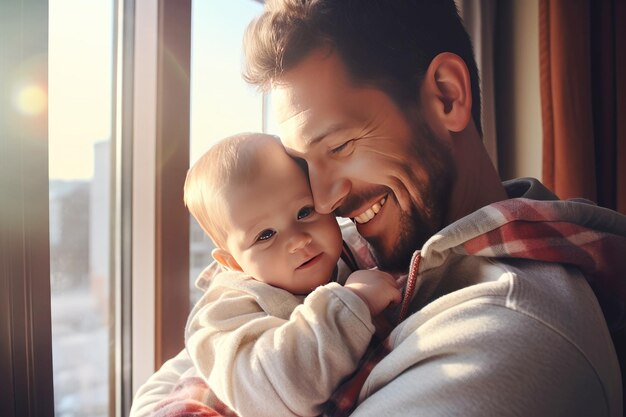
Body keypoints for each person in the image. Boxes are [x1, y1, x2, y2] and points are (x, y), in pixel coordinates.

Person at [131, 1, 626, 416]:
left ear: (447, 96)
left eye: (340, 146)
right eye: (304, 163)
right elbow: (169, 388)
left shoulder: (511, 337)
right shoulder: (359, 255)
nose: (324, 201)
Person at [177, 132, 401, 417]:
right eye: (266, 235)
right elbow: (281, 388)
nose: (298, 240)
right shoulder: (228, 314)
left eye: (304, 211)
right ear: (233, 263)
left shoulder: (356, 251)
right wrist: (354, 303)